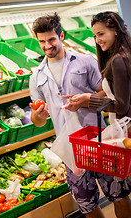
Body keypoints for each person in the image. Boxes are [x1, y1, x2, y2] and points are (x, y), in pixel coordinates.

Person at [29, 12, 131, 218]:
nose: (47, 45)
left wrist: (86, 99)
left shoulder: (85, 61)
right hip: (70, 151)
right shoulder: (36, 76)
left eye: (51, 39)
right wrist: (38, 115)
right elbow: (38, 122)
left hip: (99, 141)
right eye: (42, 41)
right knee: (87, 206)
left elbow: (104, 91)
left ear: (61, 36)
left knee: (119, 195)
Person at [63, 11, 131, 218]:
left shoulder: (119, 60)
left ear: (115, 31)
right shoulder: (123, 55)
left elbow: (121, 105)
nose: (98, 40)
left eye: (101, 34)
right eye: (95, 36)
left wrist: (88, 100)